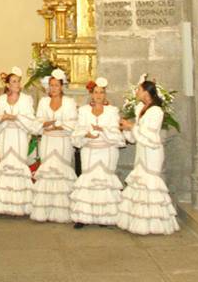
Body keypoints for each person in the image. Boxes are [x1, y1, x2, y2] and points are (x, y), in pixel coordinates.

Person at [116, 78, 179, 235]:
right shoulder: (141, 109)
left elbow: (149, 135)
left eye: (138, 89)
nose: (136, 92)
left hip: (152, 151)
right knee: (140, 181)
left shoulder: (156, 111)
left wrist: (131, 126)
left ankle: (156, 222)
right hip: (142, 151)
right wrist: (126, 129)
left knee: (150, 182)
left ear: (146, 92)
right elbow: (136, 136)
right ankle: (141, 221)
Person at [70, 78, 123, 228]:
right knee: (88, 181)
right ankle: (83, 216)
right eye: (96, 92)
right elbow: (78, 129)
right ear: (91, 94)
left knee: (104, 182)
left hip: (106, 151)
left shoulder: (112, 111)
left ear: (105, 94)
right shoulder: (84, 110)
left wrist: (103, 130)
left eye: (102, 92)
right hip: (90, 150)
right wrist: (87, 134)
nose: (99, 95)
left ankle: (104, 216)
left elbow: (115, 131)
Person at [31, 69, 78, 223]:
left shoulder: (69, 102)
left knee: (60, 172)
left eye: (56, 85)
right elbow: (37, 122)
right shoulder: (44, 102)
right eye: (51, 85)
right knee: (48, 172)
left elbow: (73, 122)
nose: (53, 88)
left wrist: (58, 125)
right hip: (48, 141)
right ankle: (45, 209)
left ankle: (62, 210)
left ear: (61, 86)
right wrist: (46, 124)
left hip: (62, 141)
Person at [0, 67, 36, 216]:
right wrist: (3, 118)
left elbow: (30, 120)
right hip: (6, 136)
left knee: (18, 165)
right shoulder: (1, 99)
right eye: (14, 81)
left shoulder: (26, 99)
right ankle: (4, 203)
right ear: (8, 85)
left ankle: (20, 204)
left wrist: (16, 117)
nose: (17, 84)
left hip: (20, 136)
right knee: (6, 165)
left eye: (18, 81)